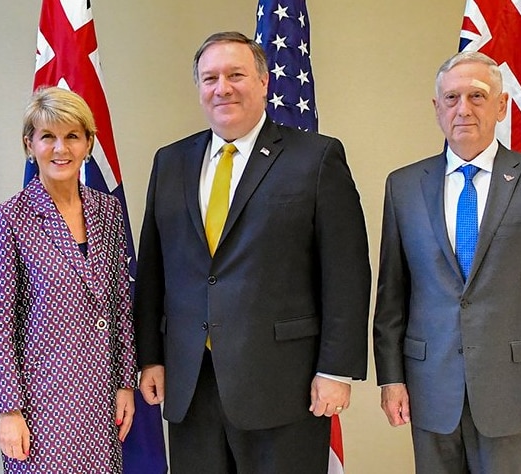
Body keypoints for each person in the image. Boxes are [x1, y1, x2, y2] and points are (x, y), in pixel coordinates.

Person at [134, 31, 371, 473]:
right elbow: (153, 270)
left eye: (236, 75)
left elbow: (346, 273)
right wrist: (150, 355)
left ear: (264, 82)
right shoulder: (171, 161)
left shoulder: (315, 158)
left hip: (284, 384)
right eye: (210, 78)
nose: (222, 87)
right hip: (191, 382)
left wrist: (336, 370)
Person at [373, 51, 521, 473]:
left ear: (502, 106)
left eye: (477, 96)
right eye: (451, 98)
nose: (463, 109)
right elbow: (392, 294)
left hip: (513, 390)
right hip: (429, 386)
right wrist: (391, 378)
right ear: (437, 109)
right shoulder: (404, 186)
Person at [0, 86, 137, 473]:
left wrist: (124, 382)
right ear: (29, 144)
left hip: (101, 397)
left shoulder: (108, 209)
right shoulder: (9, 218)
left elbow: (119, 303)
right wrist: (8, 411)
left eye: (72, 136)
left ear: (88, 143)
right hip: (40, 404)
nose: (60, 148)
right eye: (47, 136)